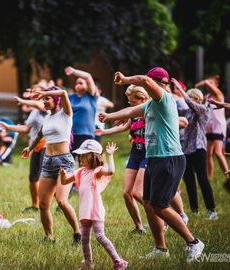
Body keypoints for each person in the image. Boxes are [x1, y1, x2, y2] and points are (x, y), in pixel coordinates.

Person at [99, 67, 204, 262]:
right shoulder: (150, 105)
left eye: (159, 84)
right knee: (148, 203)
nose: (163, 87)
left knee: (159, 206)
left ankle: (193, 242)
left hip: (169, 157)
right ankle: (160, 249)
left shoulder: (163, 98)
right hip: (154, 158)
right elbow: (131, 111)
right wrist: (109, 117)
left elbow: (145, 82)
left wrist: (125, 80)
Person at [21, 86, 81, 243]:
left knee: (61, 201)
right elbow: (40, 134)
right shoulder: (47, 118)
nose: (44, 101)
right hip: (47, 162)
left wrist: (44, 92)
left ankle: (77, 232)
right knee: (43, 204)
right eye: (43, 99)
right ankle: (49, 236)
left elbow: (63, 93)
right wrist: (30, 148)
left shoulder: (66, 114)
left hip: (64, 162)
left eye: (47, 99)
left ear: (55, 100)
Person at [60, 140, 128, 270]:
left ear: (93, 156)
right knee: (84, 240)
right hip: (85, 211)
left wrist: (110, 155)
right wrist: (63, 175)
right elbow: (64, 182)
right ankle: (88, 265)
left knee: (100, 236)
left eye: (84, 155)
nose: (80, 158)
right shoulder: (80, 172)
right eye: (80, 155)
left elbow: (111, 171)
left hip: (95, 210)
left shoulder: (98, 171)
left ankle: (119, 261)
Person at [95, 85, 148, 234]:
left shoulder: (150, 112)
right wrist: (104, 131)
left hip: (149, 154)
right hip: (135, 154)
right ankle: (139, 227)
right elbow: (124, 127)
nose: (130, 105)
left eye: (133, 102)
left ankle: (161, 216)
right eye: (129, 102)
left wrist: (113, 116)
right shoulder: (133, 114)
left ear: (143, 99)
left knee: (138, 193)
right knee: (127, 194)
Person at [0, 84, 49, 212]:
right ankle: (35, 206)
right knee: (33, 178)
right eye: (32, 92)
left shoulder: (46, 107)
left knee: (47, 178)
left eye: (36, 92)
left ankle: (59, 203)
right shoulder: (33, 112)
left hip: (47, 145)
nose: (33, 94)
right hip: (35, 146)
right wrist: (8, 127)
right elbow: (26, 129)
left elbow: (39, 105)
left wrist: (22, 101)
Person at [172, 78, 217, 220]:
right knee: (189, 180)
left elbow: (189, 103)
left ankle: (211, 210)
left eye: (190, 98)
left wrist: (180, 90)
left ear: (197, 99)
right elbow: (174, 110)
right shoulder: (187, 113)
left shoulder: (203, 110)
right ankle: (194, 209)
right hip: (186, 149)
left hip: (199, 148)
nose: (187, 100)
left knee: (202, 178)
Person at [195, 76, 229, 180]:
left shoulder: (218, 95)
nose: (208, 84)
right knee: (208, 153)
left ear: (216, 85)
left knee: (218, 153)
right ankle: (209, 177)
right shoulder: (207, 97)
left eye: (211, 83)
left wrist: (202, 83)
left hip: (218, 126)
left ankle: (228, 177)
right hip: (209, 127)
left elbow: (206, 84)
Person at [65, 66, 97, 161]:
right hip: (70, 135)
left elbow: (87, 76)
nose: (78, 85)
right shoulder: (70, 97)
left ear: (87, 85)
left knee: (84, 163)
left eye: (81, 83)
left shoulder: (90, 96)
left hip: (86, 135)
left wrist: (73, 71)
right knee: (68, 162)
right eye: (76, 83)